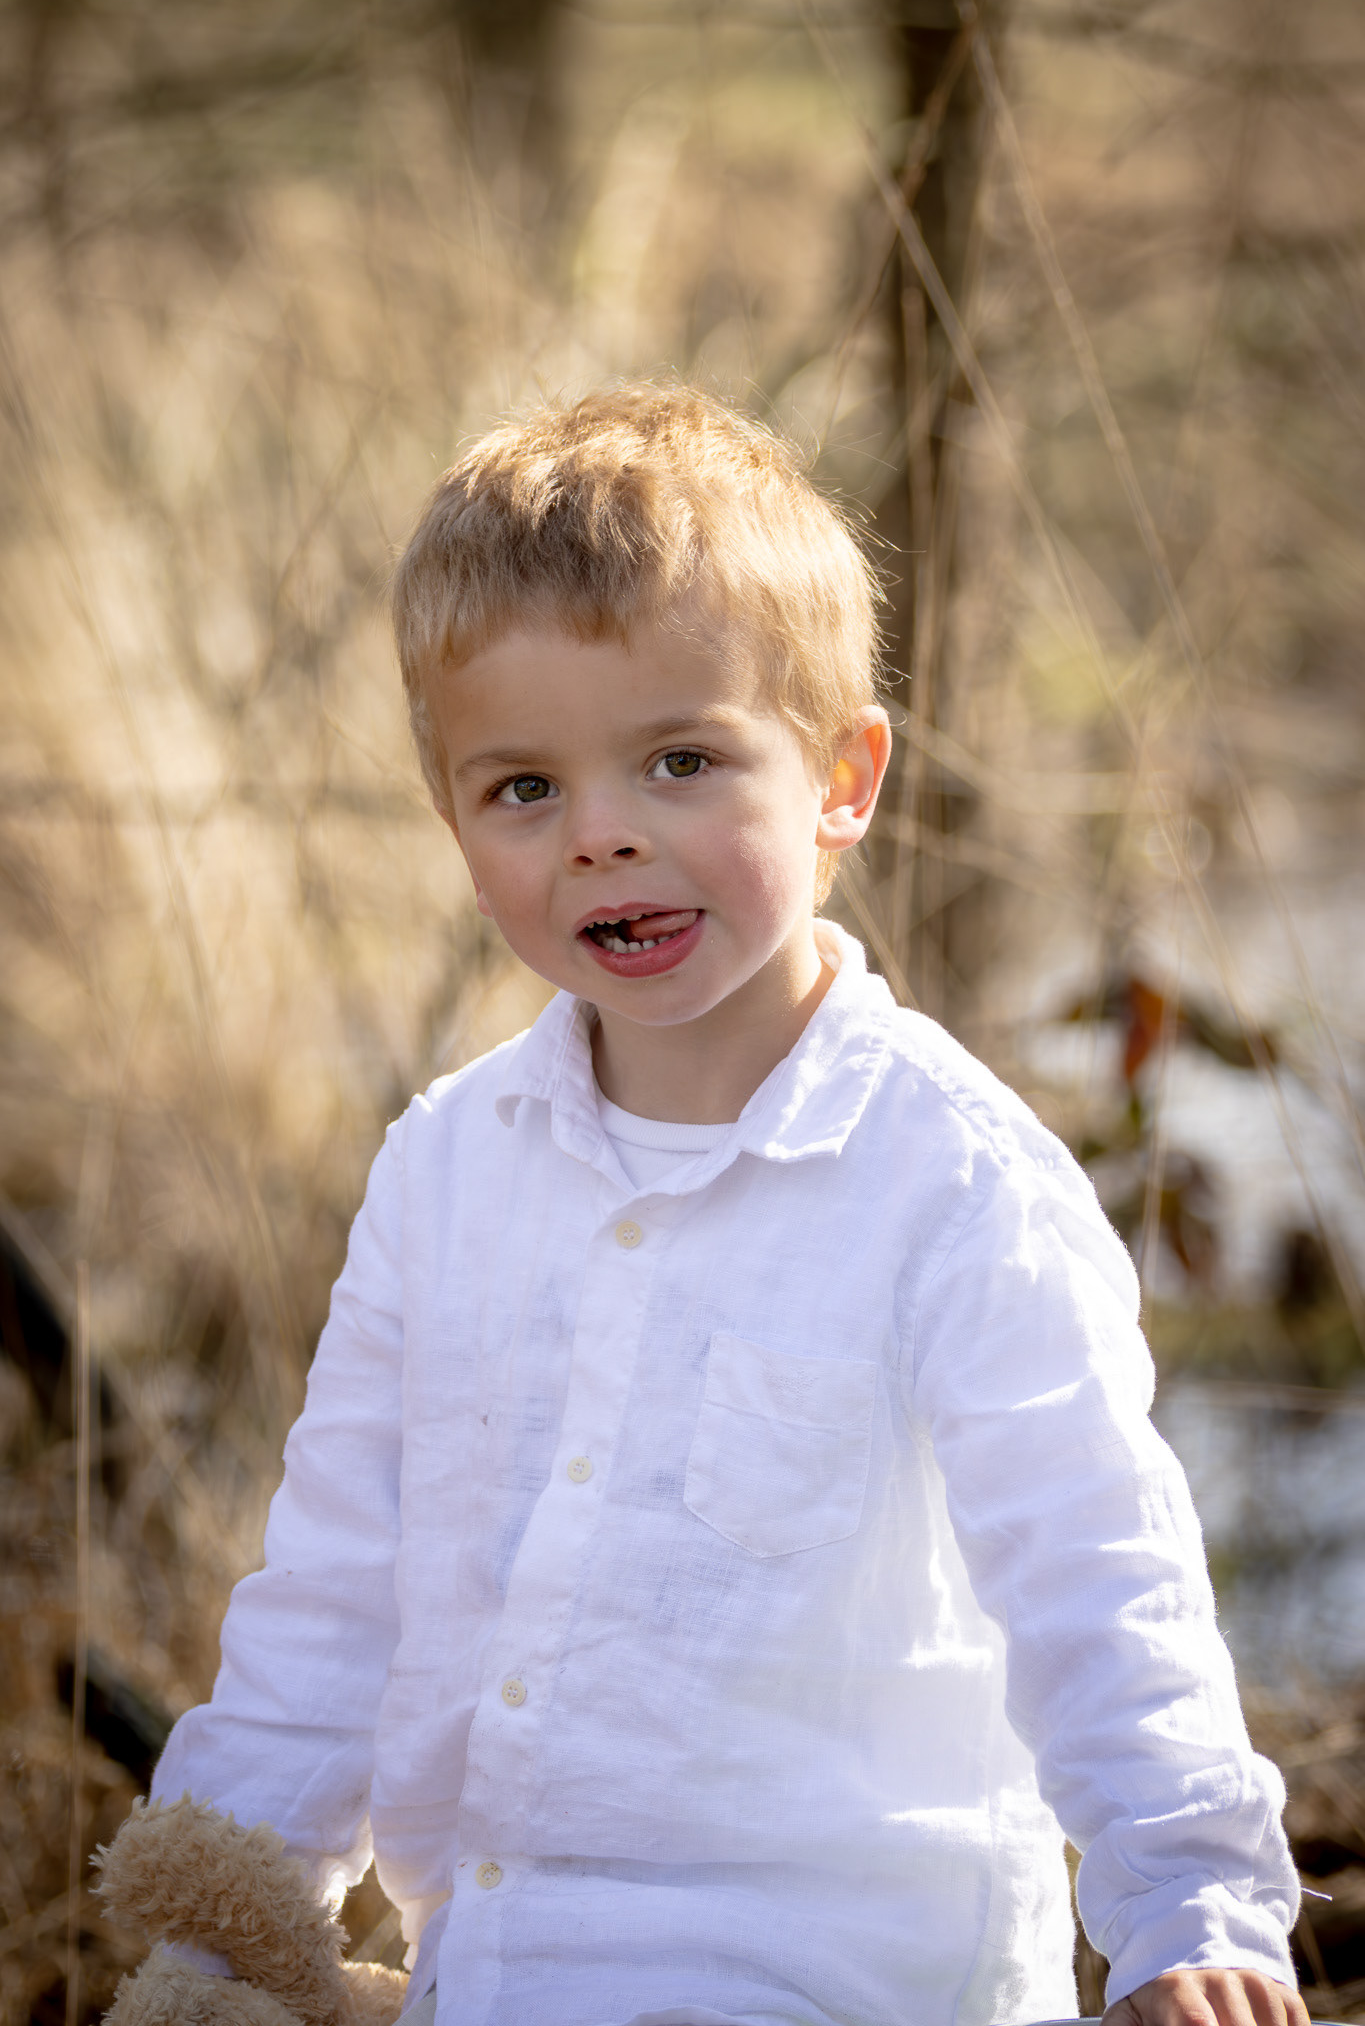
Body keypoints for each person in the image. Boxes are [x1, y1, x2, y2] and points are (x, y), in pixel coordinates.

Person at [151, 384, 1307, 2026]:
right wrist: (217, 1940)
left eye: (680, 761)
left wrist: (1193, 1905)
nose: (605, 836)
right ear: (453, 817)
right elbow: (334, 1597)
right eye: (522, 789)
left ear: (842, 779)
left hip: (841, 1984)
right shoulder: (445, 1170)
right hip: (496, 1979)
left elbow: (1101, 1584)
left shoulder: (953, 1189)